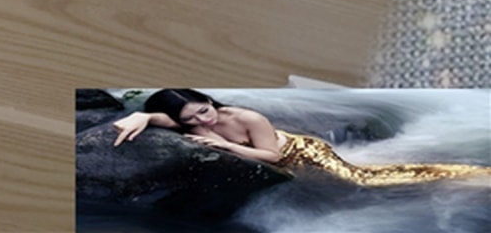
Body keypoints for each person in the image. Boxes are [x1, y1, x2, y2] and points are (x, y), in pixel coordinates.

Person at [113, 89, 490, 185]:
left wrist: (226, 146)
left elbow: (274, 157)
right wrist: (140, 115)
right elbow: (160, 118)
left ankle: (466, 172)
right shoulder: (187, 122)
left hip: (302, 152)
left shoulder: (246, 117)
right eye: (191, 119)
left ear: (210, 100)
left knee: (364, 179)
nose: (202, 121)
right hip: (278, 161)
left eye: (203, 110)